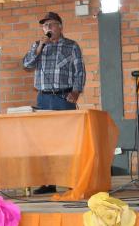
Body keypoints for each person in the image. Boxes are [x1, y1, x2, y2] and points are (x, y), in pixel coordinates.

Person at [23, 12, 86, 194]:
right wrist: (39, 47)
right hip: (43, 98)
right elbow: (27, 65)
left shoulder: (71, 46)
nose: (47, 28)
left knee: (67, 142)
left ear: (60, 26)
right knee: (45, 143)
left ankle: (70, 180)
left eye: (51, 24)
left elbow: (79, 71)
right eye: (44, 26)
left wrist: (75, 91)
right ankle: (48, 182)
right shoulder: (38, 45)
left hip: (64, 98)